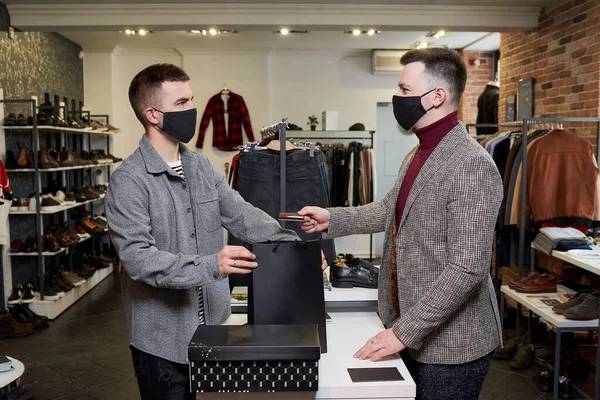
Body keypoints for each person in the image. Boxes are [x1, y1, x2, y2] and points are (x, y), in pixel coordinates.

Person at [105, 63, 325, 400]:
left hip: (214, 330)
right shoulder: (129, 181)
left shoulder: (199, 167)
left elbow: (242, 215)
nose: (191, 110)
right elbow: (138, 258)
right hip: (162, 342)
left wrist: (299, 247)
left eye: (191, 100)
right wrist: (212, 265)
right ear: (152, 114)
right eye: (181, 104)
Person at [299, 48, 503, 400]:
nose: (397, 98)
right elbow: (388, 210)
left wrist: (402, 332)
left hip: (451, 347)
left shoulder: (472, 164)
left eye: (405, 90)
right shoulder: (418, 152)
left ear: (437, 96)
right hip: (412, 327)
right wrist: (332, 218)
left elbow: (467, 268)